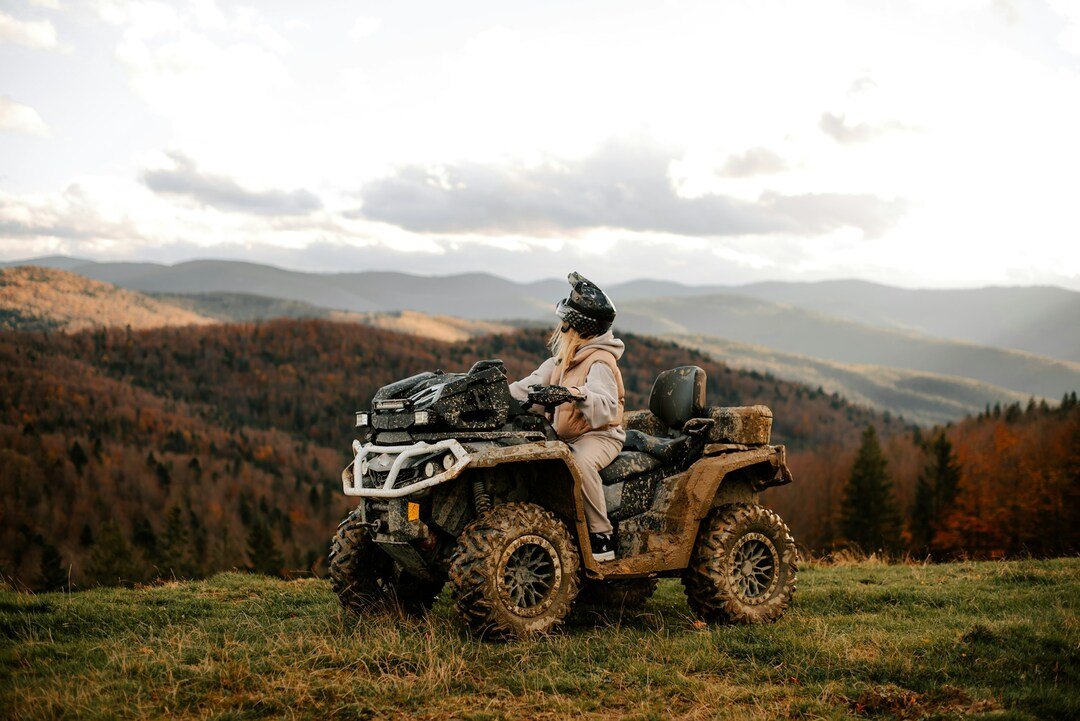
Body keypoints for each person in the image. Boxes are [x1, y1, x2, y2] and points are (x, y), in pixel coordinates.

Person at [508, 272, 625, 562]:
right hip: (567, 434)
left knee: (579, 463)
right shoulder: (560, 362)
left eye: (566, 323)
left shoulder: (600, 361)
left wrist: (573, 394)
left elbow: (607, 407)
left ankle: (601, 537)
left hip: (600, 436)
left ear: (578, 328)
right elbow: (524, 388)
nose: (560, 329)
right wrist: (494, 397)